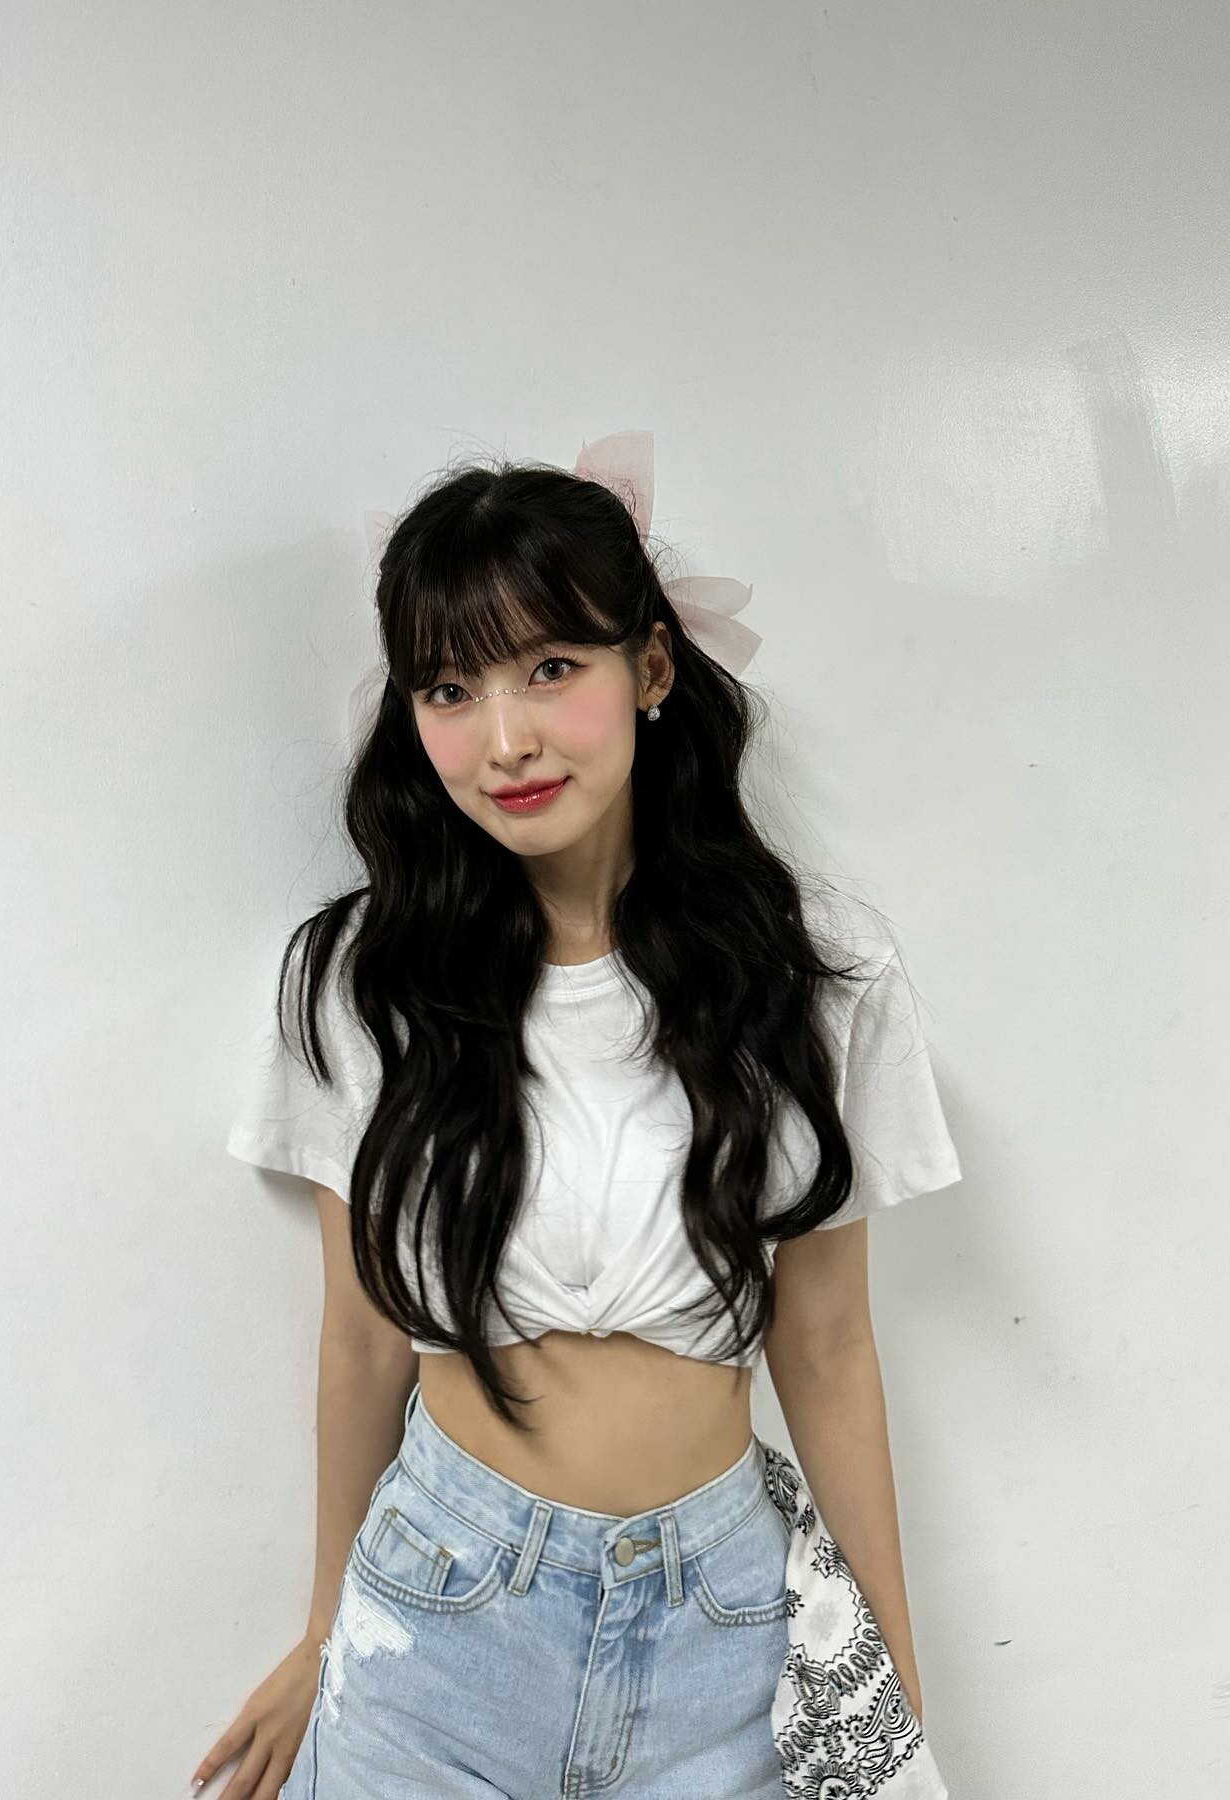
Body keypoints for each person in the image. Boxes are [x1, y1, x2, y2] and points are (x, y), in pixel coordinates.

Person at [193, 434, 963, 1799]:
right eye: (451, 688)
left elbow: (829, 1344)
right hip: (437, 1630)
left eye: (551, 668)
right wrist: (324, 1632)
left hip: (729, 1636)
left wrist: (893, 1676)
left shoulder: (818, 974)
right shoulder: (364, 983)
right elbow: (362, 1340)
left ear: (651, 669)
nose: (505, 741)